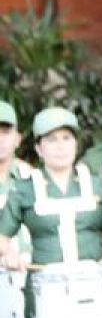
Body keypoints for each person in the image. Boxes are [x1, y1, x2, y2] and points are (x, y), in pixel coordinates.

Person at [0, 108, 102, 318]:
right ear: (38, 148)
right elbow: (2, 239)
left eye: (66, 138)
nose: (60, 146)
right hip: (45, 290)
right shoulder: (24, 190)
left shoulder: (98, 184)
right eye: (51, 139)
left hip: (95, 287)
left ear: (76, 144)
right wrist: (8, 255)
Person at [0, 100, 31, 269]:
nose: (0, 139)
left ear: (18, 139)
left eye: (5, 132)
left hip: (30, 271)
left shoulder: (31, 177)